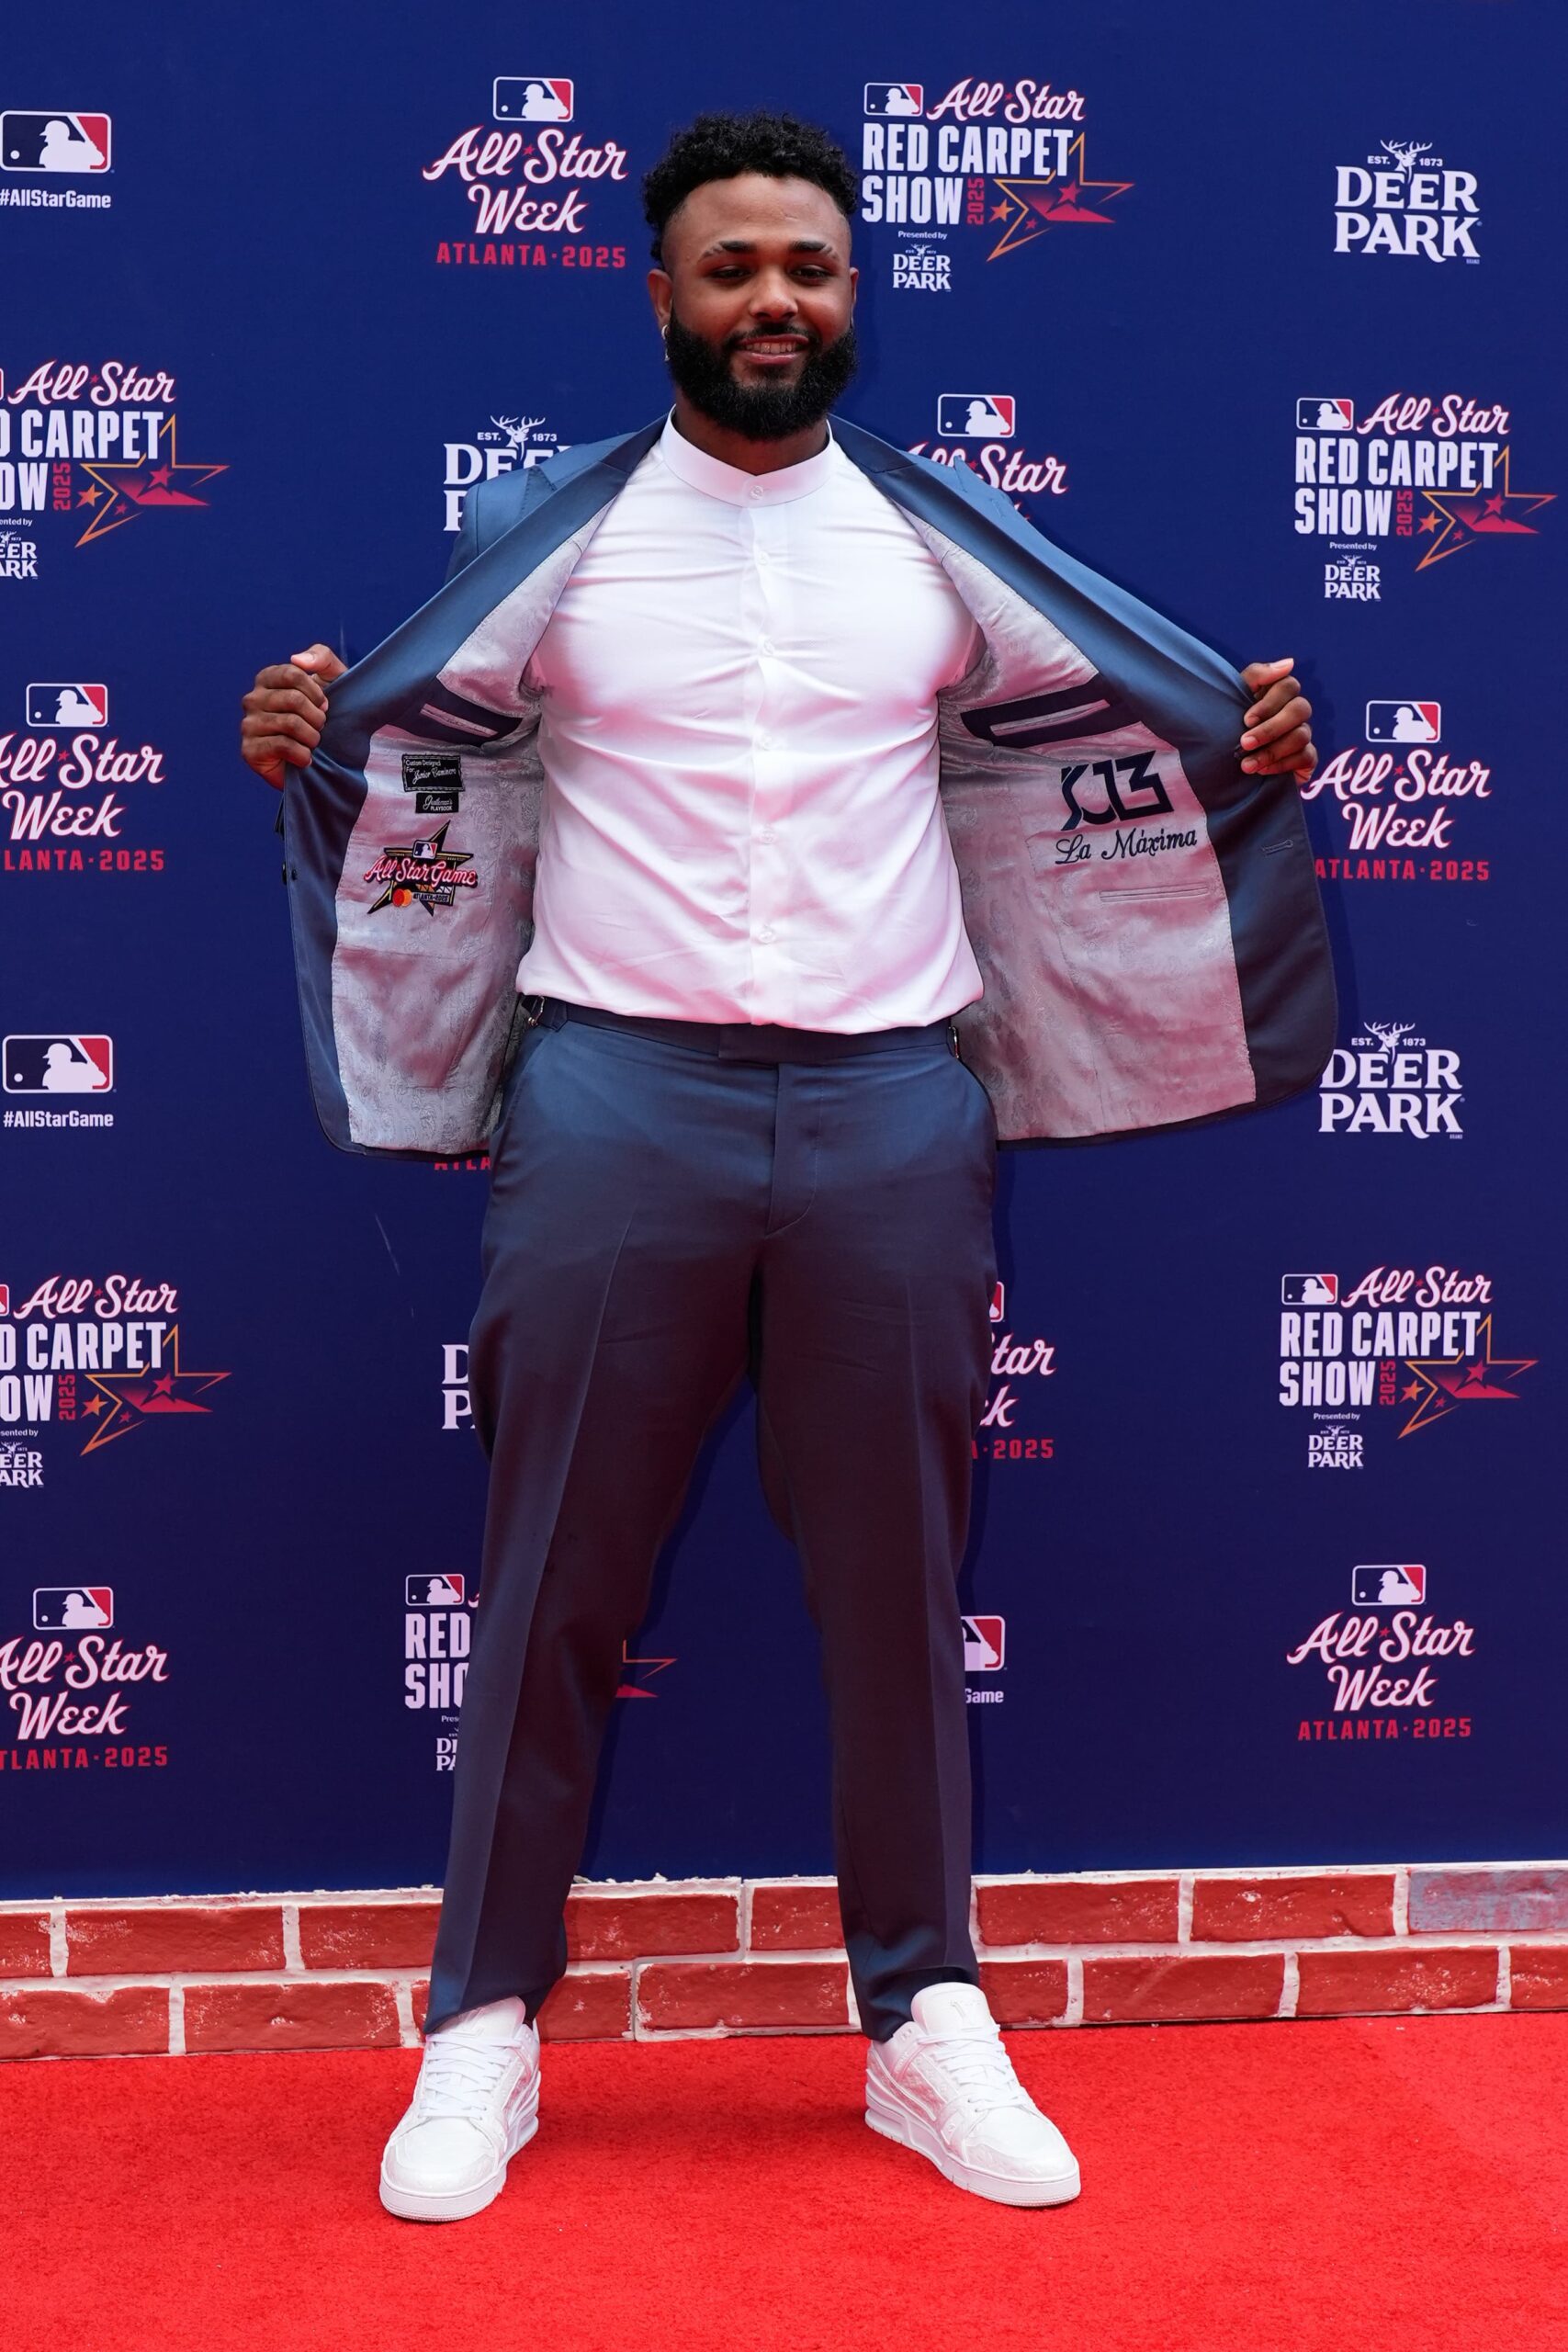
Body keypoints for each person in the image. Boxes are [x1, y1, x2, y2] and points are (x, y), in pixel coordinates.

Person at [242, 110, 1326, 2223]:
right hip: (611, 1097)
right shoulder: (540, 537)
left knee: (897, 1587)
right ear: (655, 293)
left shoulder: (938, 547)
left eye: (808, 270)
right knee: (547, 1567)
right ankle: (481, 2024)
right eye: (731, 269)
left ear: (855, 294)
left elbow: (1111, 736)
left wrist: (1239, 744)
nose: (773, 303)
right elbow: (401, 734)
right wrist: (308, 729)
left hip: (892, 1109)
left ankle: (924, 2017)